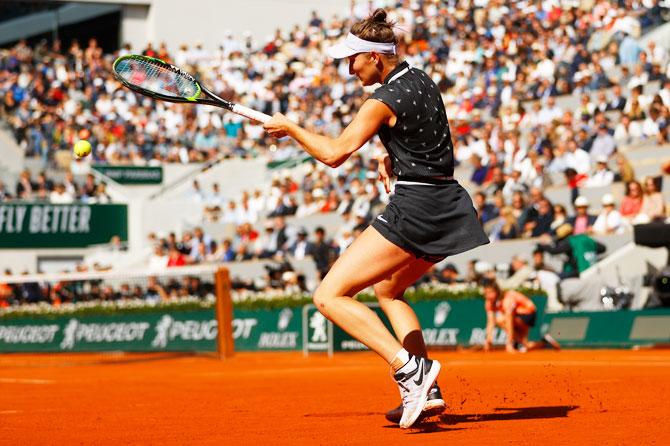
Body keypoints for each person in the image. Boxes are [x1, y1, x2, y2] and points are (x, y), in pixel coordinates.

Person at [263, 9, 489, 429]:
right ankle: (426, 391)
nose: (349, 68)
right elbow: (425, 132)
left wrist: (291, 127)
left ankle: (410, 370)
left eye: (353, 59)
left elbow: (334, 154)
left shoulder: (380, 100)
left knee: (329, 296)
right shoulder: (419, 79)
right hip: (447, 201)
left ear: (375, 58)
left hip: (417, 208)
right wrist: (392, 156)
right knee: (389, 289)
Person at [482, 278, 560, 353]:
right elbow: (490, 322)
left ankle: (516, 342)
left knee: (500, 320)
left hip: (528, 315)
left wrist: (509, 343)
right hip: (518, 316)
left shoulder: (507, 299)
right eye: (486, 293)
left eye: (490, 292)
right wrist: (488, 339)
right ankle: (544, 342)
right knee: (525, 345)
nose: (488, 295)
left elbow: (509, 321)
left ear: (497, 291)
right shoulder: (489, 302)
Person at [536, 223, 606, 279]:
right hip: (593, 269)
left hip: (579, 271)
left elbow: (555, 251)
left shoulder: (570, 241)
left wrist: (542, 245)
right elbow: (603, 248)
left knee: (555, 277)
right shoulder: (586, 238)